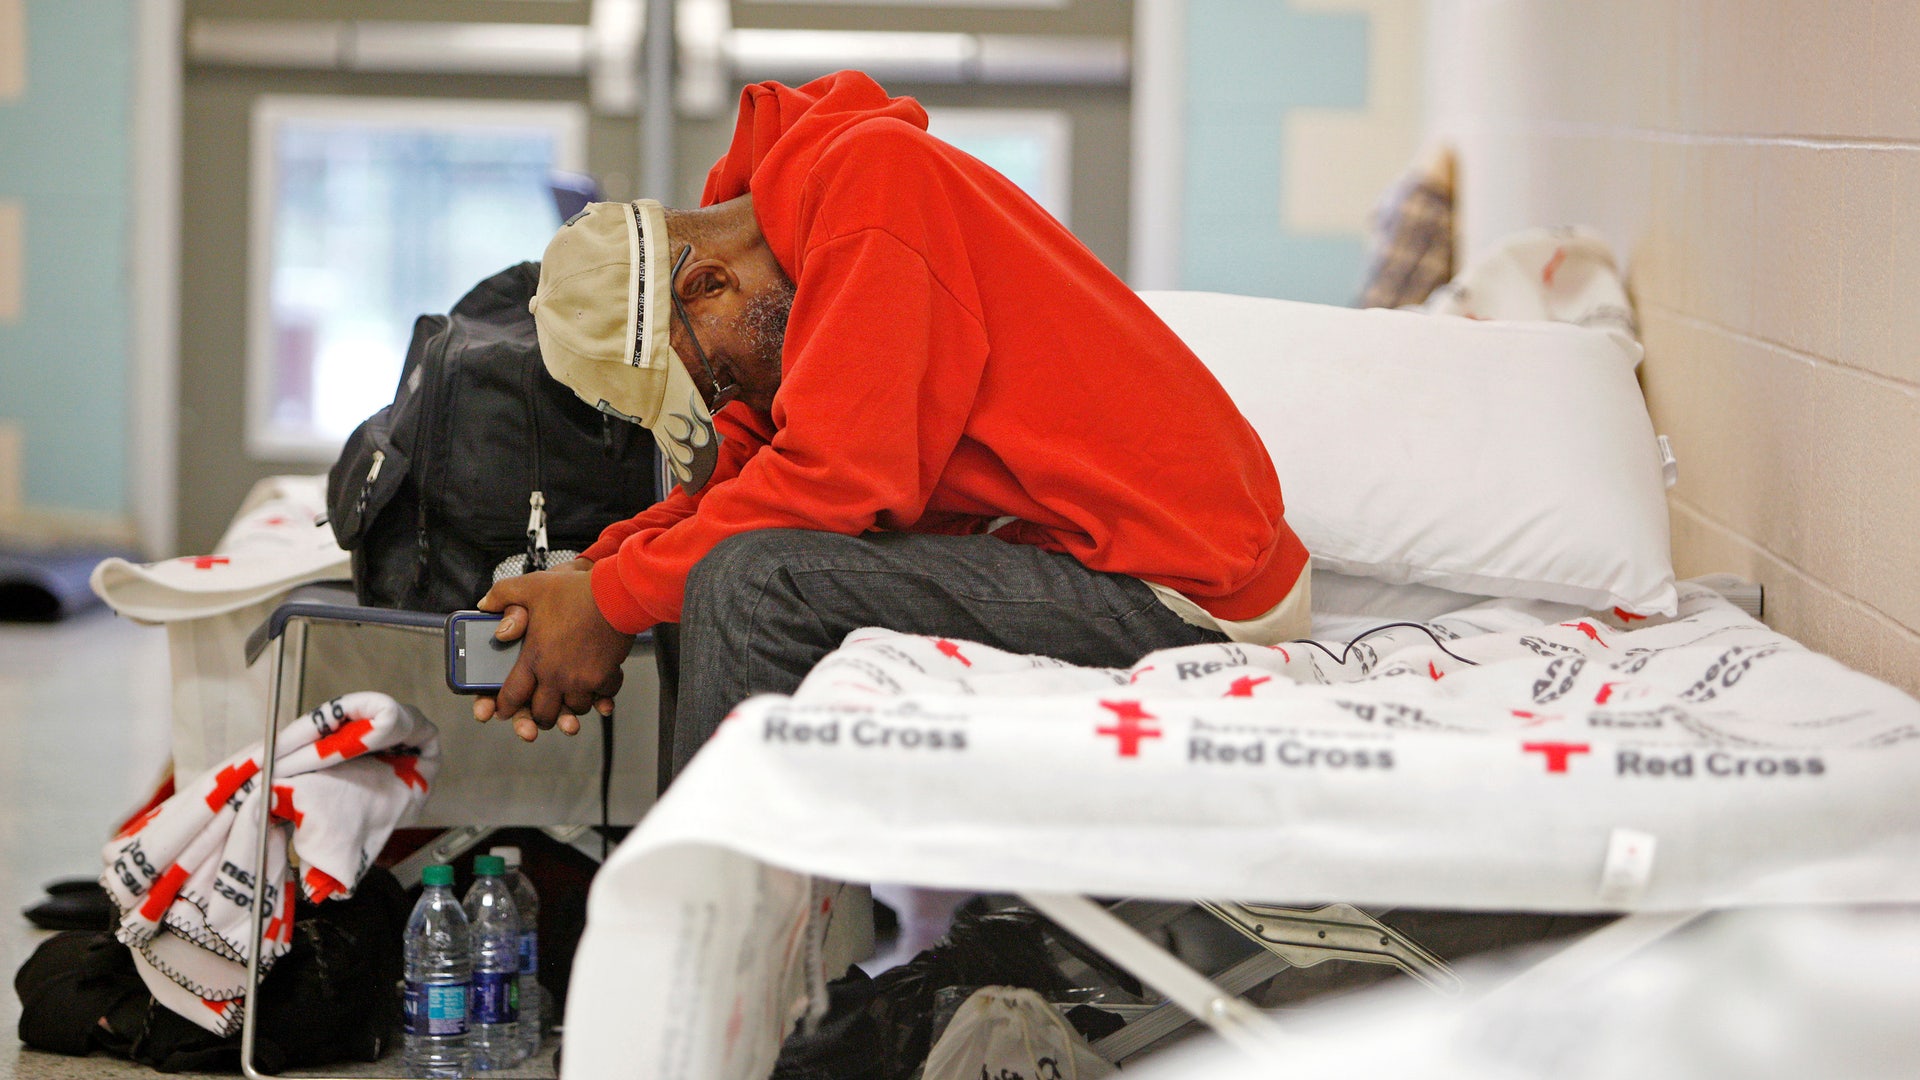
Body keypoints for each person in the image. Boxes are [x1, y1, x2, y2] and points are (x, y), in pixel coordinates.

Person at [474, 70, 1312, 776]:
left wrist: (610, 604)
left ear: (707, 286)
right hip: (1070, 552)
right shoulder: (779, 266)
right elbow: (742, 484)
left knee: (752, 581)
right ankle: (754, 920)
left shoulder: (875, 191)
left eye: (715, 376)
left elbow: (835, 480)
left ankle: (733, 948)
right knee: (713, 568)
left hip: (1180, 588)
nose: (728, 396)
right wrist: (589, 577)